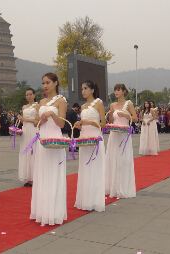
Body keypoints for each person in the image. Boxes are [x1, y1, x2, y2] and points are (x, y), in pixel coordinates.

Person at [30, 73, 67, 226]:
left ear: (55, 83)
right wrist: (40, 120)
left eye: (48, 82)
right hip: (42, 139)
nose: (45, 86)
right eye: (43, 83)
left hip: (54, 139)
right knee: (42, 173)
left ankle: (54, 211)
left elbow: (62, 124)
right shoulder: (41, 101)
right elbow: (36, 123)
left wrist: (52, 114)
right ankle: (42, 210)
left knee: (52, 174)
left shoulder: (61, 100)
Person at [74, 80, 106, 212]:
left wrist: (90, 122)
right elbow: (83, 125)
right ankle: (85, 199)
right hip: (84, 138)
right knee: (85, 168)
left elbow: (103, 124)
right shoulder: (82, 107)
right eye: (82, 88)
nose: (83, 91)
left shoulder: (99, 103)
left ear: (92, 90)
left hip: (95, 137)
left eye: (85, 88)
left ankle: (95, 200)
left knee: (95, 168)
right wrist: (79, 125)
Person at [106, 84, 138, 199]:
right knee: (112, 158)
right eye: (115, 90)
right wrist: (110, 115)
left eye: (118, 90)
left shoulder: (128, 104)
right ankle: (112, 185)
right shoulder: (112, 105)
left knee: (123, 160)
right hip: (114, 134)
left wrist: (126, 115)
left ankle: (123, 186)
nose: (116, 92)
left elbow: (135, 118)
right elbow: (111, 121)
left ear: (124, 91)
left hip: (124, 135)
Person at [18, 88, 39, 187]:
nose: (29, 96)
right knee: (26, 152)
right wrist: (21, 120)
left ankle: (35, 177)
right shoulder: (24, 107)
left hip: (33, 130)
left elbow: (36, 121)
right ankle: (28, 177)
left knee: (33, 151)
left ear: (34, 95)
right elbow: (24, 121)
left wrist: (25, 119)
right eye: (27, 95)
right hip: (25, 130)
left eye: (30, 94)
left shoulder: (38, 106)